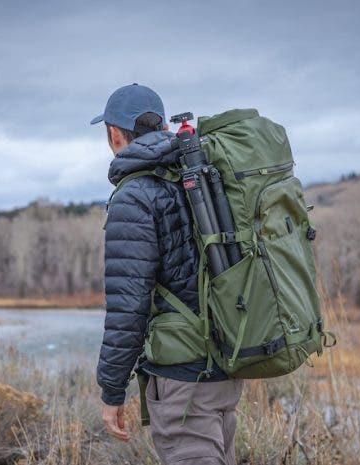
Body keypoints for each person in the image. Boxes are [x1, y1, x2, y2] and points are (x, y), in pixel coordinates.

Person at [91, 83, 243, 465]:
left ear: (114, 134)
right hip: (224, 368)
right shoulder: (197, 177)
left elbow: (128, 308)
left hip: (182, 381)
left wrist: (112, 391)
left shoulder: (134, 196)